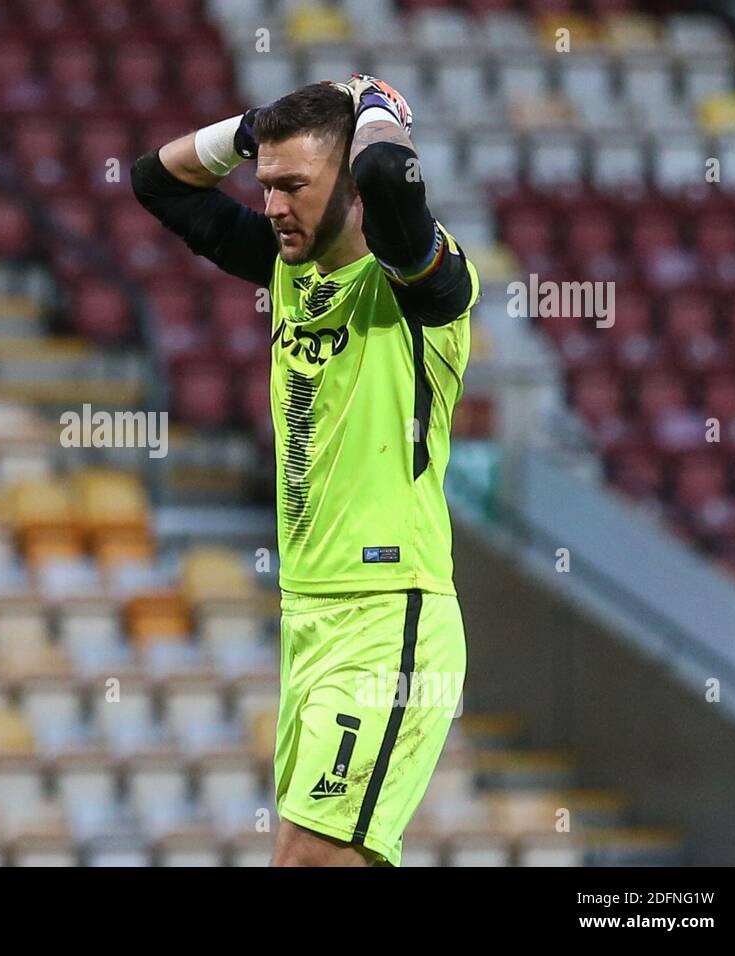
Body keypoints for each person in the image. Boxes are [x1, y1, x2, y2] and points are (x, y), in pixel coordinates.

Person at [131, 76, 480, 866]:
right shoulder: (294, 266)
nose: (274, 205)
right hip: (310, 617)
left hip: (388, 616)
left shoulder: (422, 286)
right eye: (265, 185)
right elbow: (156, 178)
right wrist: (253, 128)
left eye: (294, 186)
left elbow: (393, 180)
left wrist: (379, 106)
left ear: (351, 186)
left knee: (309, 860)